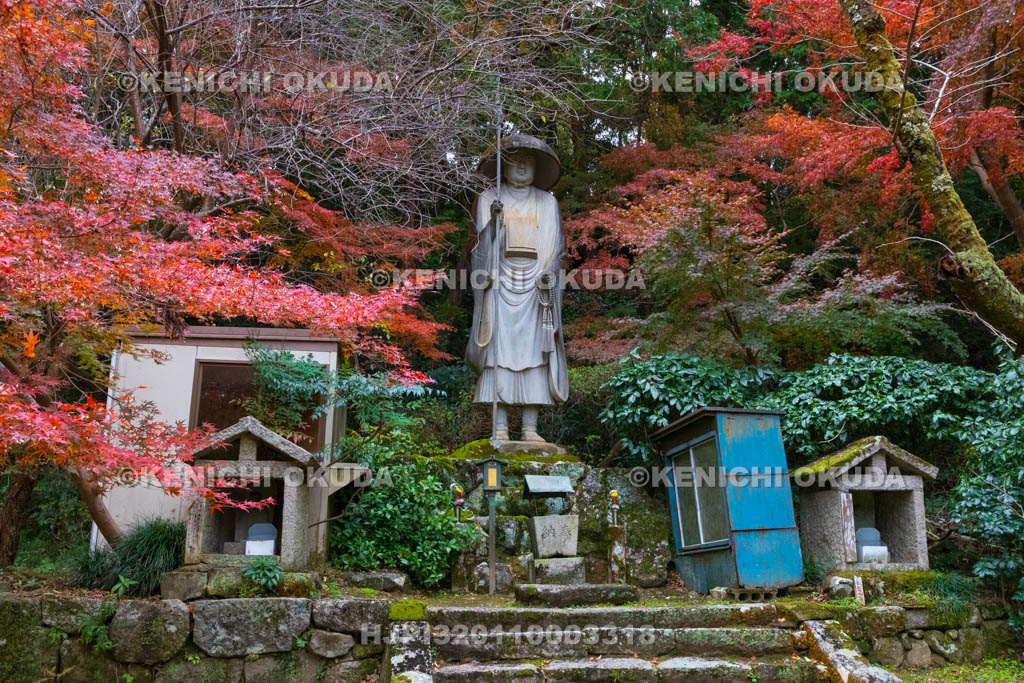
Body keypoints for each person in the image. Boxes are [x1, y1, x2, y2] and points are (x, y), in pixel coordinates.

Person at [466, 134, 568, 443]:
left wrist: (548, 273)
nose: (522, 167)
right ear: (504, 167)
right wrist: (494, 224)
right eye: (515, 162)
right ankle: (499, 428)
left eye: (529, 162)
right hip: (499, 282)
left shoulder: (547, 201)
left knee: (536, 352)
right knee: (498, 352)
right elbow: (482, 248)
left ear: (537, 169)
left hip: (536, 286)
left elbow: (554, 245)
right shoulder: (489, 199)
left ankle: (530, 428)